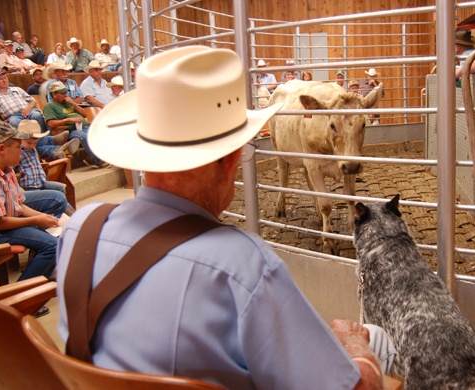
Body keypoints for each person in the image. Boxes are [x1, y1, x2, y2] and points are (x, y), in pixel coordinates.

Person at [56, 46, 389, 389]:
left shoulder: (80, 230)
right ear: (230, 160)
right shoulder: (243, 266)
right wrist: (356, 346)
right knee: (376, 341)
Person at [0, 121, 64, 284]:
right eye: (19, 147)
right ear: (2, 149)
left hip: (7, 224)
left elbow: (20, 205)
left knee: (52, 229)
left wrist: (43, 217)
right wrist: (35, 221)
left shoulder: (8, 169)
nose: (22, 151)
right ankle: (22, 294)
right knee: (52, 246)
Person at [43, 81, 106, 168]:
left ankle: (96, 158)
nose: (65, 95)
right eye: (62, 93)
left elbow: (84, 114)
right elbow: (51, 123)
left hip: (83, 127)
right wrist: (69, 120)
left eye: (66, 92)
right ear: (54, 94)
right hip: (69, 131)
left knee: (100, 131)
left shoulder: (69, 103)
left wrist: (73, 103)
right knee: (84, 136)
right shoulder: (50, 106)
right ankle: (98, 160)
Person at [16, 120, 79, 197]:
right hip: (29, 186)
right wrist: (18, 188)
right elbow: (10, 172)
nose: (32, 145)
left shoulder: (33, 149)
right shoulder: (18, 152)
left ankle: (66, 208)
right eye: (29, 143)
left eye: (35, 143)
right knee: (57, 195)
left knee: (61, 187)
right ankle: (56, 146)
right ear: (20, 139)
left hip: (42, 182)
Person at [0, 67, 48, 133]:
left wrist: (29, 107)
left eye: (5, 78)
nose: (4, 80)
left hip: (29, 111)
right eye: (0, 79)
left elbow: (32, 101)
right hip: (13, 116)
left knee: (37, 115)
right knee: (14, 122)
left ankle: (44, 137)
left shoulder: (17, 89)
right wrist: (1, 122)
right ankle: (25, 142)